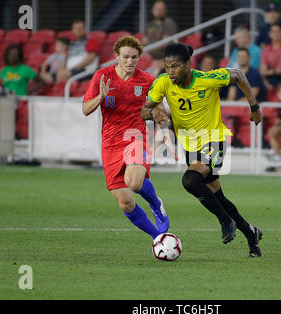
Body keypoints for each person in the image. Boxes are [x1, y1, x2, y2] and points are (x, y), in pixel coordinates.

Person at [141, 43, 264, 258]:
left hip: (214, 141)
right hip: (189, 145)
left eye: (176, 67)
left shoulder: (206, 80)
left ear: (188, 65)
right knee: (218, 196)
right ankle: (250, 234)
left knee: (190, 181)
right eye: (167, 67)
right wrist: (154, 113)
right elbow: (144, 109)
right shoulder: (163, 82)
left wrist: (254, 107)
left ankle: (225, 221)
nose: (170, 72)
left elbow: (238, 75)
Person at [82, 36, 169, 240]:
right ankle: (158, 238)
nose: (130, 61)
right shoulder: (103, 76)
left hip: (135, 137)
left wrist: (159, 112)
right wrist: (100, 98)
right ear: (117, 56)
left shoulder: (147, 80)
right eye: (126, 57)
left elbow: (158, 107)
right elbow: (85, 109)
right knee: (125, 202)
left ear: (139, 58)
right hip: (111, 143)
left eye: (134, 57)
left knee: (135, 183)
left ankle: (156, 204)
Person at [260, 23, 281, 90]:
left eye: (278, 31)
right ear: (269, 34)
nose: (275, 34)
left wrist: (273, 71)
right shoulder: (266, 49)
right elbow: (263, 70)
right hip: (270, 78)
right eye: (273, 31)